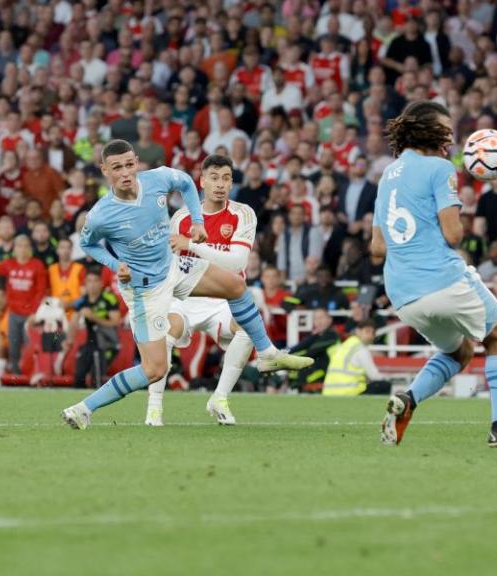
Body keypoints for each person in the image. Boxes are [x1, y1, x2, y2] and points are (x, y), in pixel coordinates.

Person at [61, 141, 312, 430]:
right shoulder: (101, 214)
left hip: (172, 267)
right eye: (117, 167)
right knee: (154, 370)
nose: (126, 173)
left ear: (137, 162)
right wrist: (114, 264)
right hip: (145, 290)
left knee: (236, 287)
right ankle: (84, 408)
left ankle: (267, 354)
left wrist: (196, 220)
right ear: (105, 170)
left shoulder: (157, 178)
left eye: (130, 164)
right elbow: (87, 244)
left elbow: (185, 183)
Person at [371, 101, 497, 448]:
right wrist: (458, 211)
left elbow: (376, 246)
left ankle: (408, 401)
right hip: (441, 279)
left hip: (403, 293)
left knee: (459, 352)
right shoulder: (440, 168)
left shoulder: (388, 174)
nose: (451, 139)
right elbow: (454, 235)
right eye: (445, 130)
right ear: (426, 130)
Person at [145, 154, 264, 427]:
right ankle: (154, 409)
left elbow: (238, 263)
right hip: (185, 296)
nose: (220, 184)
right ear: (201, 181)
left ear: (232, 182)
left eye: (226, 178)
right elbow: (168, 262)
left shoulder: (242, 213)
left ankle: (219, 399)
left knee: (247, 327)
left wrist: (193, 244)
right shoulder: (182, 217)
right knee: (166, 332)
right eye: (214, 177)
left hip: (223, 298)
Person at [0, 235, 49, 374]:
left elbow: (40, 292)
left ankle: (31, 378)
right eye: (19, 245)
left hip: (30, 316)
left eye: (26, 245)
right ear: (14, 248)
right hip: (13, 314)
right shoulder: (9, 264)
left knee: (30, 349)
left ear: (30, 248)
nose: (22, 249)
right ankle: (16, 378)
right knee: (13, 349)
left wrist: (34, 313)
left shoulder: (37, 265)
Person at [69, 267, 121, 388]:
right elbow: (73, 324)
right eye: (89, 281)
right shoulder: (81, 302)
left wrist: (93, 317)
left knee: (95, 378)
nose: (92, 285)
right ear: (85, 284)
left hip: (108, 344)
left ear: (101, 283)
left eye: (95, 281)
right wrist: (68, 339)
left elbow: (115, 322)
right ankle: (77, 404)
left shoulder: (109, 299)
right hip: (90, 344)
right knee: (79, 377)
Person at [322, 319, 390, 396]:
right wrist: (388, 379)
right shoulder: (360, 349)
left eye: (373, 333)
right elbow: (374, 375)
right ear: (358, 331)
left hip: (329, 393)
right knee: (385, 385)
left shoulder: (345, 345)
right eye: (367, 331)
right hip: (350, 393)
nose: (370, 336)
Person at [287, 308, 342, 393]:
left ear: (329, 320)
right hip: (315, 369)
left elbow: (311, 352)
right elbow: (296, 348)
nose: (319, 321)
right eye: (316, 318)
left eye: (321, 318)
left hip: (328, 372)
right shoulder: (316, 336)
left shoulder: (332, 335)